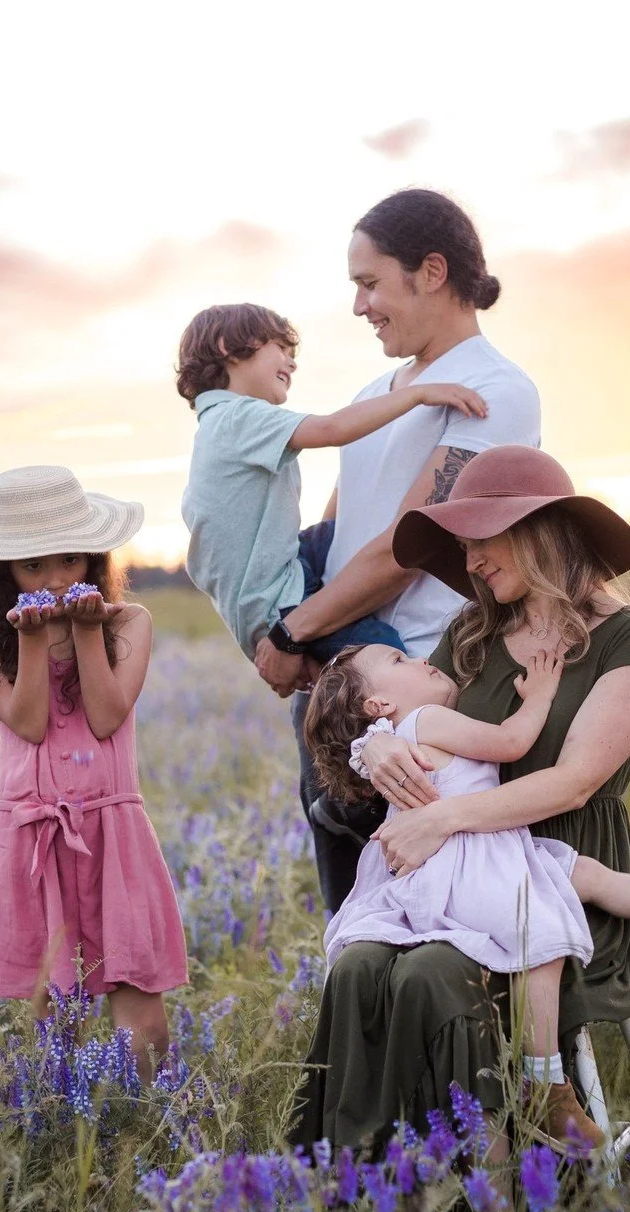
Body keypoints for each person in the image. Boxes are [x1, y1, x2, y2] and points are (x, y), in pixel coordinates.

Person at [289, 445, 630, 1154]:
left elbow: (573, 781)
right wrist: (370, 746)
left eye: (480, 540)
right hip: (452, 881)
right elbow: (400, 708)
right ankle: (357, 1173)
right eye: (465, 545)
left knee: (429, 973)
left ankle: (493, 1193)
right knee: (356, 964)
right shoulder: (475, 632)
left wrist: (439, 816)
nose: (469, 562)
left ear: (535, 531)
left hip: (565, 885)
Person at [301, 640, 630, 1150]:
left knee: (588, 873)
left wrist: (370, 736)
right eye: (399, 662)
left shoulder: (398, 731)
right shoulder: (425, 720)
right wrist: (541, 693)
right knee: (540, 929)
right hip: (473, 862)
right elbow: (511, 742)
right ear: (378, 706)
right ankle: (544, 1083)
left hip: (482, 850)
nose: (419, 657)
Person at [251, 188, 541, 914]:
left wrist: (295, 630)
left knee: (413, 912)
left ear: (432, 271)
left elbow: (407, 547)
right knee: (348, 908)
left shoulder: (494, 390)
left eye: (370, 283)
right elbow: (340, 526)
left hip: (417, 686)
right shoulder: (380, 389)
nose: (360, 306)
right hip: (341, 679)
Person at [0, 465, 189, 1082]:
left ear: (93, 558)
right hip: (33, 839)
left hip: (110, 829)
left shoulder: (127, 624)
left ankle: (152, 1124)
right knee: (60, 1023)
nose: (56, 579)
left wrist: (86, 631)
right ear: (5, 575)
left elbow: (107, 716)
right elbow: (29, 722)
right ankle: (80, 1138)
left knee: (145, 1017)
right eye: (34, 567)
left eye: (71, 560)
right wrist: (31, 641)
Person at [177, 302, 487, 662]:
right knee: (382, 649)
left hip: (283, 564)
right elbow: (331, 428)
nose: (292, 362)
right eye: (280, 348)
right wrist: (418, 394)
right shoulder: (237, 416)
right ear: (225, 347)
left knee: (341, 531)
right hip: (278, 598)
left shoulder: (217, 425)